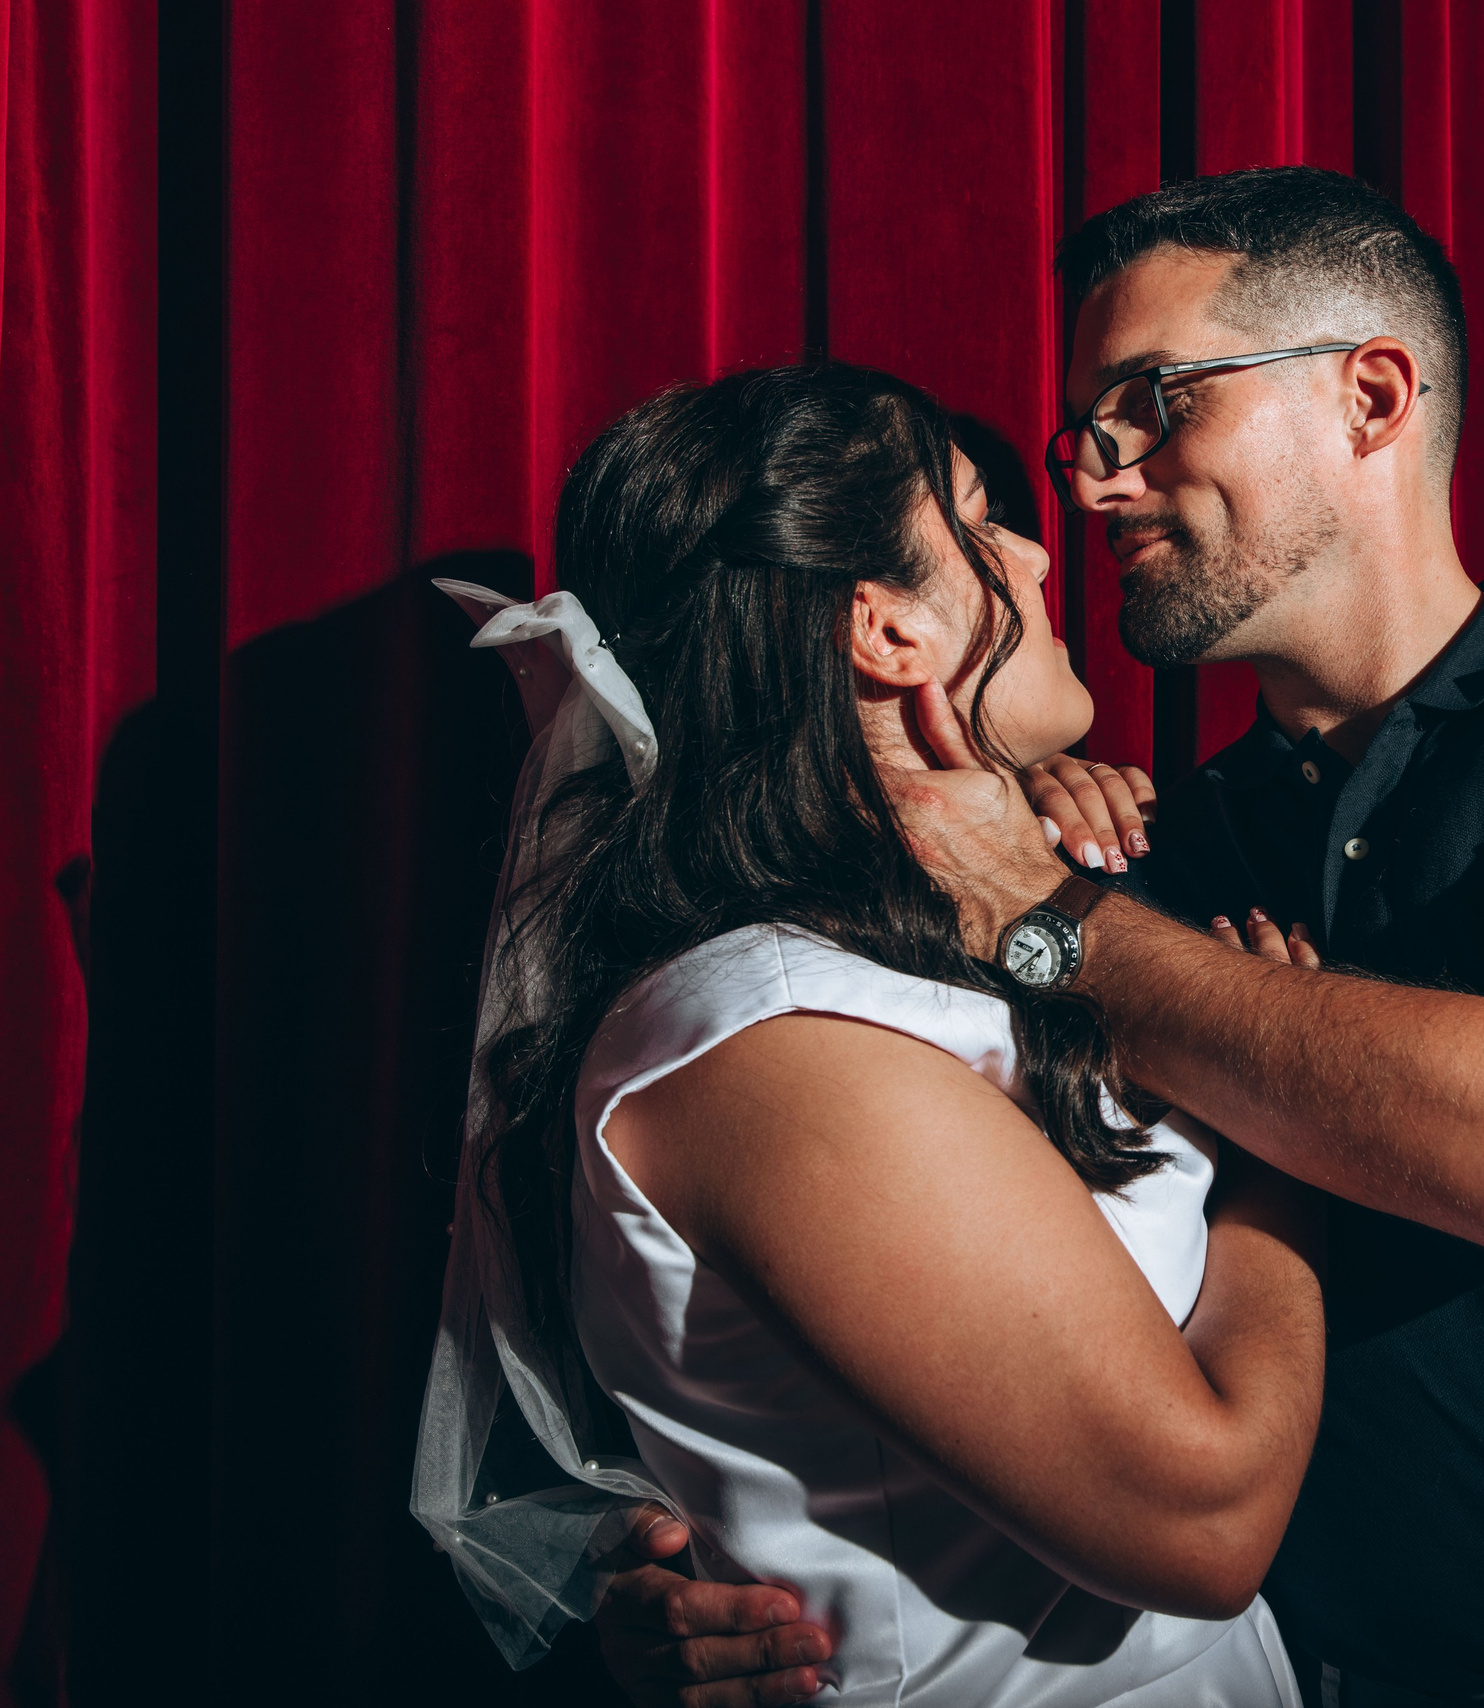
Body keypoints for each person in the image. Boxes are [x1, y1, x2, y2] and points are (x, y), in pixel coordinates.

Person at [610, 167, 1484, 1707]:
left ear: (1373, 396)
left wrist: (1050, 918)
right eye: (1081, 444)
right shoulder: (1150, 853)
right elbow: (874, 1269)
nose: (1095, 487)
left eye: (1152, 405)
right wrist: (693, 1548)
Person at [411, 361, 1333, 1707]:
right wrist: (1289, 1139)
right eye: (979, 523)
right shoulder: (787, 1045)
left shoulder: (948, 933)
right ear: (885, 632)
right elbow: (1203, 1527)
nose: (1035, 551)